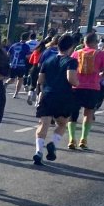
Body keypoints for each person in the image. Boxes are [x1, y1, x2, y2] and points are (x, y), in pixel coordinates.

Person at [32, 34, 81, 165]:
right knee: (62, 123)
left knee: (43, 124)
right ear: (71, 47)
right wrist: (77, 83)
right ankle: (53, 144)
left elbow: (40, 80)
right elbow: (71, 79)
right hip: (63, 96)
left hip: (47, 94)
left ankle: (38, 151)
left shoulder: (48, 60)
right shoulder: (71, 61)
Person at [67, 32, 104, 150]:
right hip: (93, 87)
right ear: (95, 42)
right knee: (88, 113)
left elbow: (70, 69)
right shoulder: (100, 54)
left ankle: (71, 138)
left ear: (84, 42)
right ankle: (83, 139)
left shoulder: (76, 53)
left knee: (73, 114)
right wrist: (100, 74)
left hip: (76, 87)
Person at [8, 32, 33, 98]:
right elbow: (27, 56)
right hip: (21, 65)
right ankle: (16, 94)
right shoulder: (26, 46)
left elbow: (8, 53)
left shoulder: (14, 45)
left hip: (13, 64)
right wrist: (32, 54)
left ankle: (6, 84)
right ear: (27, 38)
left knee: (12, 79)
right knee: (20, 79)